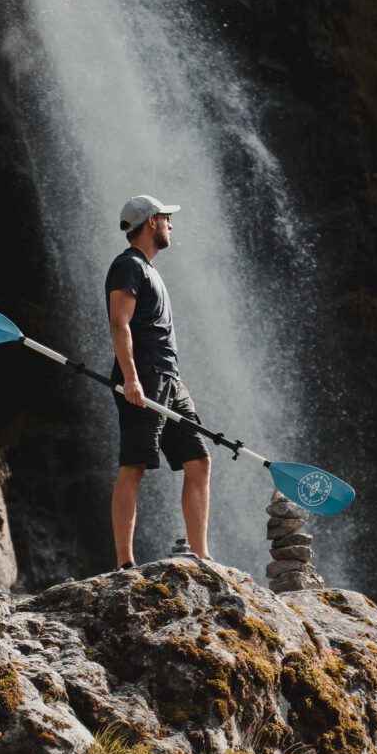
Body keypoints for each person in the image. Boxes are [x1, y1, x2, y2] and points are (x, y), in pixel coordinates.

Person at [107, 194, 211, 567]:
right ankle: (124, 563)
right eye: (166, 218)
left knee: (198, 461)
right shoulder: (127, 266)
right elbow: (120, 324)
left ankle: (201, 556)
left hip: (169, 379)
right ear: (151, 222)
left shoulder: (150, 269)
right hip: (144, 378)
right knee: (133, 465)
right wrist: (131, 379)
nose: (171, 224)